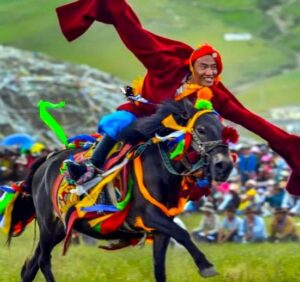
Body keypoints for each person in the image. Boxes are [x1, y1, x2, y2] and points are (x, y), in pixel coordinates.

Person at [56, 0, 300, 195]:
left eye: (214, 68)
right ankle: (91, 167)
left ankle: (192, 186)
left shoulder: (215, 92)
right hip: (142, 112)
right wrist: (115, 8)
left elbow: (249, 119)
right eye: (204, 67)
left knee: (208, 136)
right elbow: (136, 36)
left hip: (173, 128)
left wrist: (288, 144)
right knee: (119, 123)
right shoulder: (166, 65)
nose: (210, 72)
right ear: (192, 66)